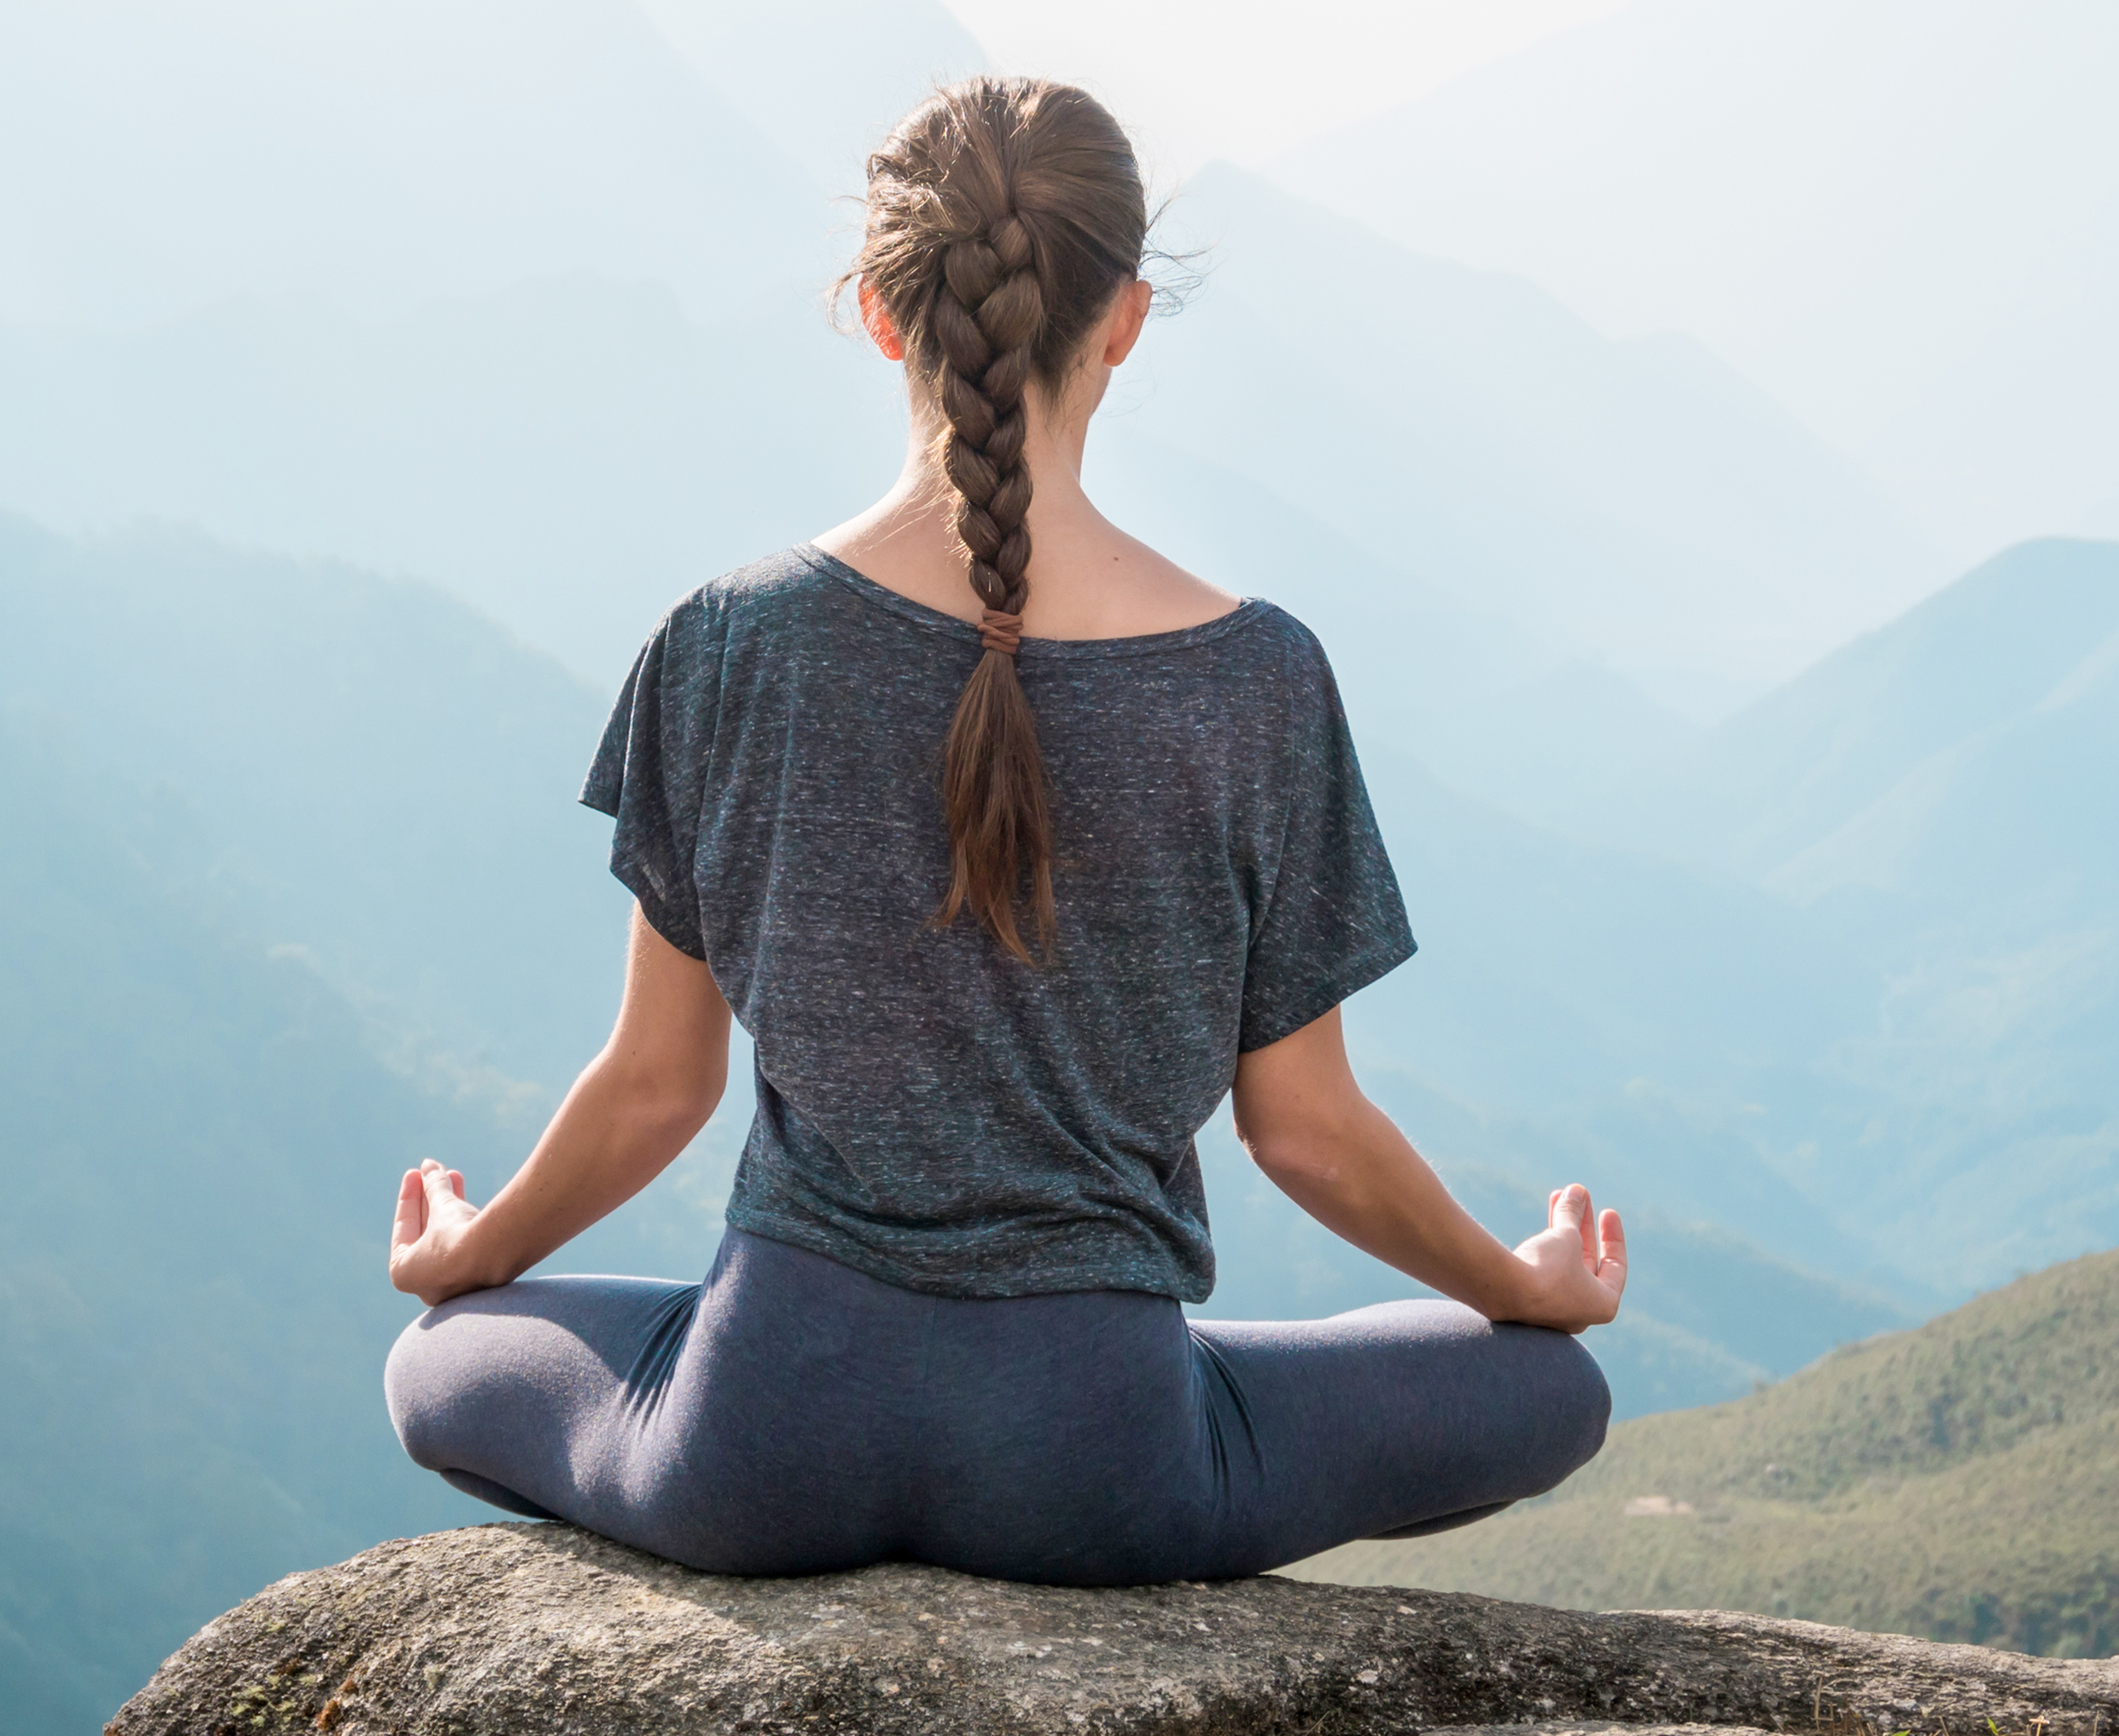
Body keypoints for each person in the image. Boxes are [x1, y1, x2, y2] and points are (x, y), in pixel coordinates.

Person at [379, 74, 1624, 1588]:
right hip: (1099, 1469)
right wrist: (1519, 1278)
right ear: (1123, 319)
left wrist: (474, 1250)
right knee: (1550, 1389)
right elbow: (1302, 1131)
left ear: (877, 314)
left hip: (762, 1439)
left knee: (437, 1363)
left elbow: (655, 1089)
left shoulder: (722, 644)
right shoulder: (1256, 680)